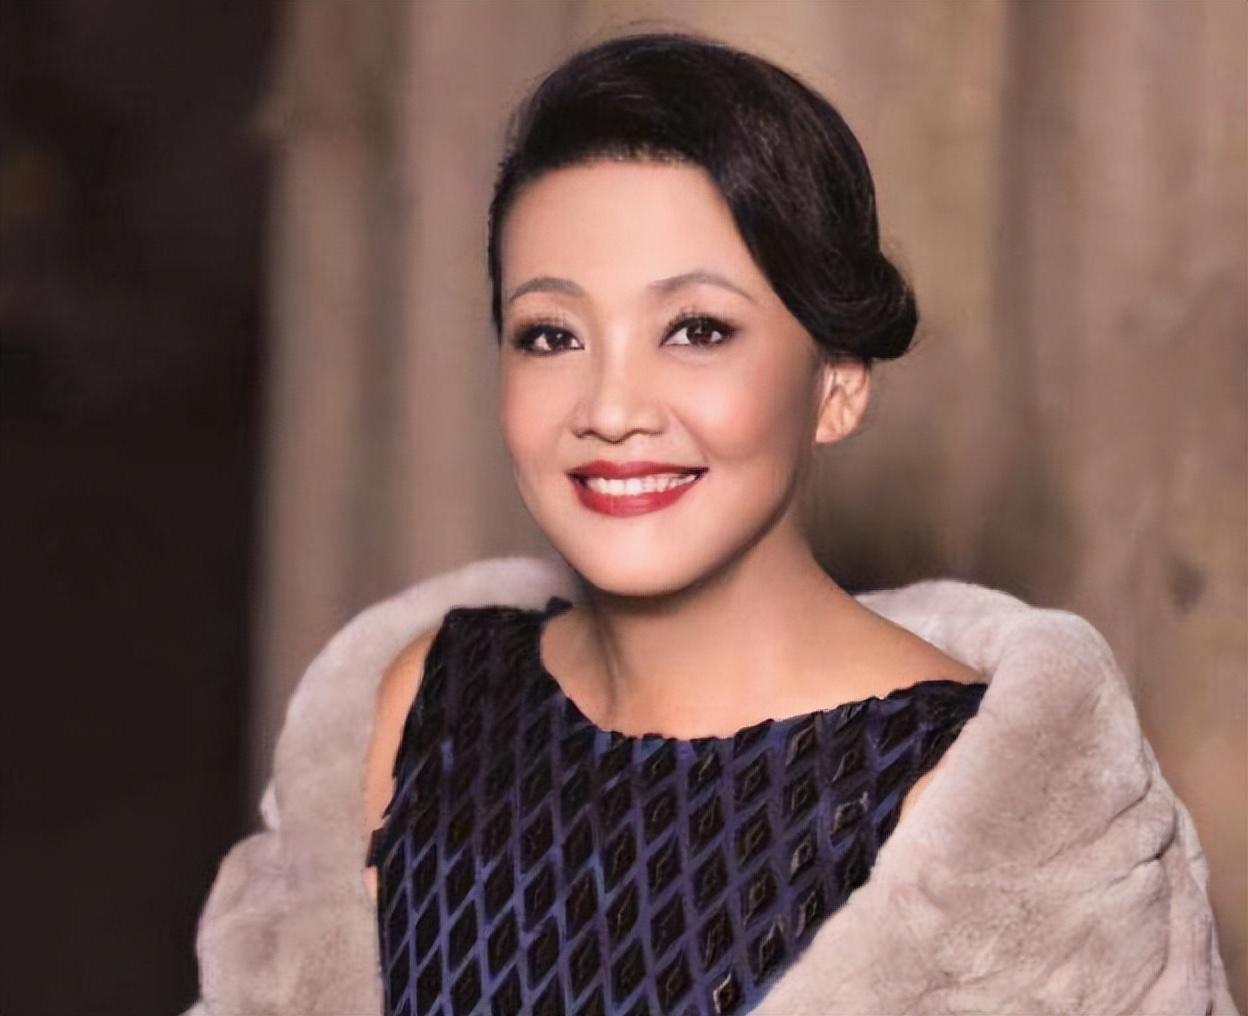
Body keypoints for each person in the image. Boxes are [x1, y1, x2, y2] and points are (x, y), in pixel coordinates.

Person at [185, 29, 1236, 1016]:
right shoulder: (424, 703)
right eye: (550, 334)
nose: (610, 408)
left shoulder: (985, 805)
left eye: (696, 329)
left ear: (835, 384)